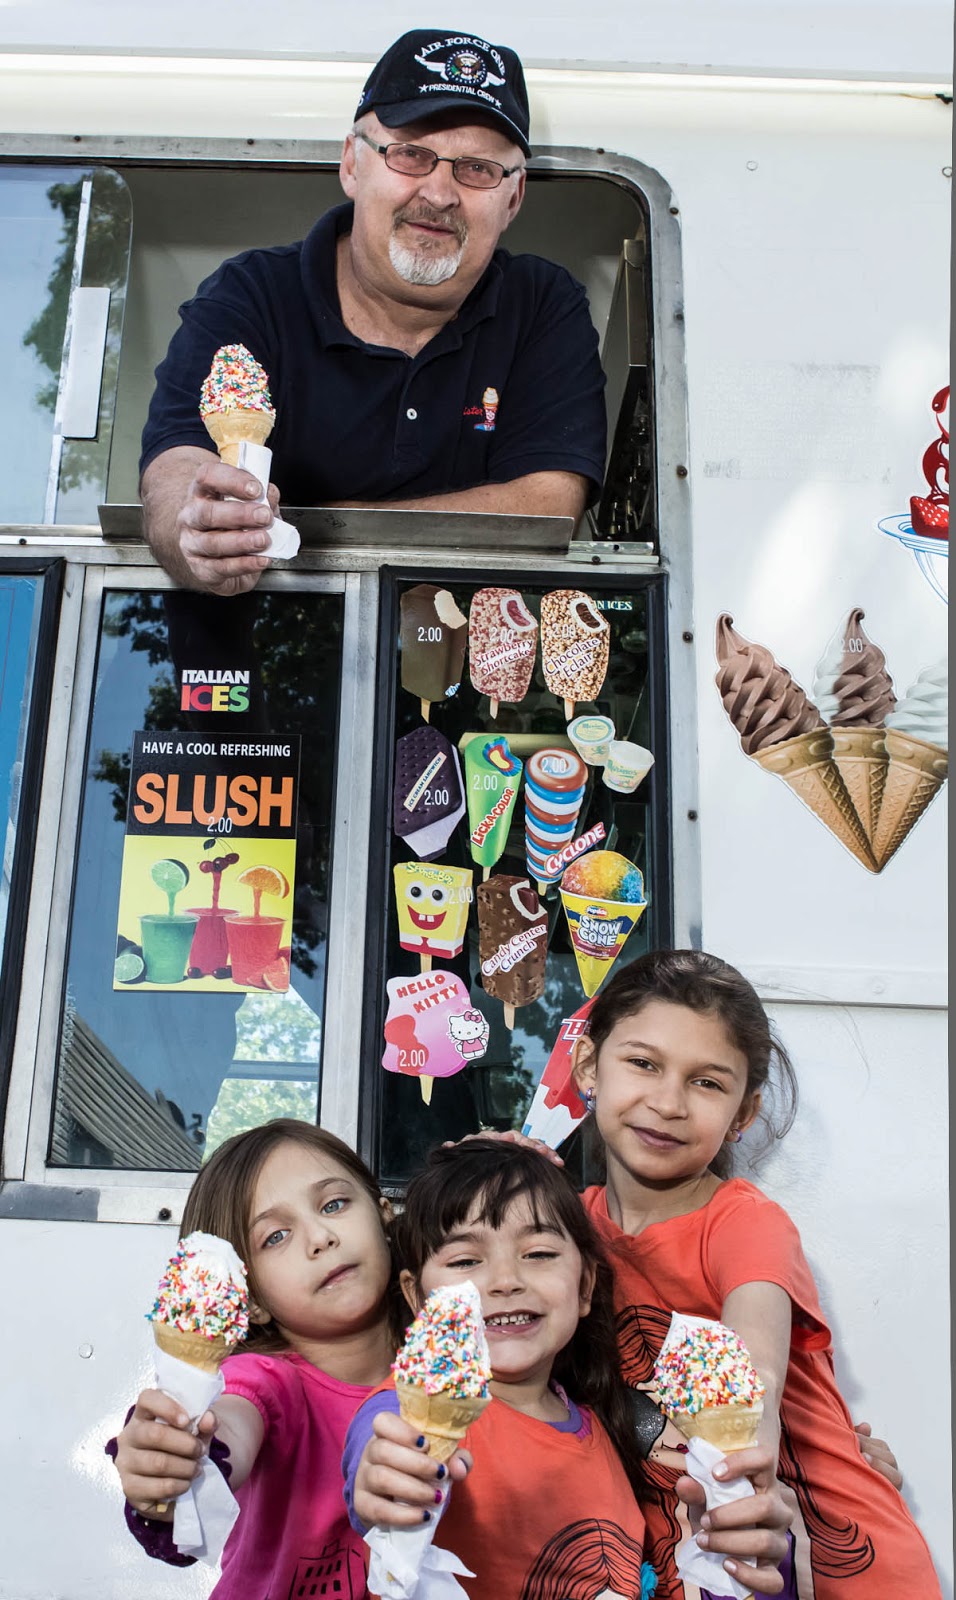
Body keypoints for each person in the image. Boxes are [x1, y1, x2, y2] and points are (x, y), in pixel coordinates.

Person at [140, 28, 607, 596]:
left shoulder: (541, 304)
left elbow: (547, 507)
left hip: (466, 650)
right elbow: (175, 470)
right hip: (254, 645)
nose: (439, 194)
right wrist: (197, 531)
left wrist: (316, 528)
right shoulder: (251, 294)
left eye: (477, 169)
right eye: (410, 155)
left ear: (513, 198)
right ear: (351, 165)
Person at [569, 948, 941, 1598]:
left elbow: (754, 1373)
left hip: (842, 1572)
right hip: (696, 1568)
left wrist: (748, 1471)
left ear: (743, 1114)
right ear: (588, 1066)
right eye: (643, 1063)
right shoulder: (566, 1232)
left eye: (707, 1083)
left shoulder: (743, 1224)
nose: (668, 1102)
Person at [346, 1139, 791, 1599]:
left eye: (538, 1254)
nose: (506, 1281)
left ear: (584, 1286)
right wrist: (383, 1477)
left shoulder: (603, 1427)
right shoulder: (408, 1410)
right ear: (418, 1297)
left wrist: (723, 1541)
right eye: (465, 1261)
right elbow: (377, 1453)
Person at [109, 1119, 405, 1599]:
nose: (320, 1237)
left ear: (383, 1213)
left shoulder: (452, 1362)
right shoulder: (264, 1381)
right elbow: (230, 1425)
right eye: (276, 1236)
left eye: (334, 1204)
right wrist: (175, 1461)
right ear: (248, 1300)